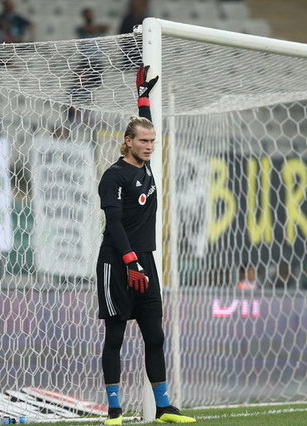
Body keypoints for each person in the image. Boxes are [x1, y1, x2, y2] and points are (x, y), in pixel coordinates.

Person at [96, 65, 196, 425]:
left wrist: (143, 97)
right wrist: (130, 261)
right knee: (116, 335)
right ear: (128, 142)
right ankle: (114, 411)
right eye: (143, 141)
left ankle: (164, 407)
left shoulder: (146, 167)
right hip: (116, 263)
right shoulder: (114, 176)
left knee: (155, 335)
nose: (150, 147)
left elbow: (144, 123)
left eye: (152, 142)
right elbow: (115, 222)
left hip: (145, 262)